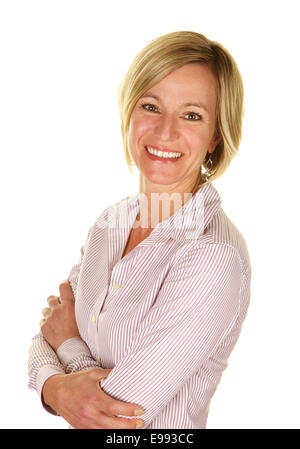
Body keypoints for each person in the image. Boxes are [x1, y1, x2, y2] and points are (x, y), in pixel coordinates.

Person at [28, 30, 251, 429]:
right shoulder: (109, 225)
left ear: (217, 134)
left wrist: (67, 346)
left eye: (191, 114)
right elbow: (43, 334)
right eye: (151, 106)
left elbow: (119, 416)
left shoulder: (213, 256)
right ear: (129, 112)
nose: (165, 132)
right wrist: (54, 389)